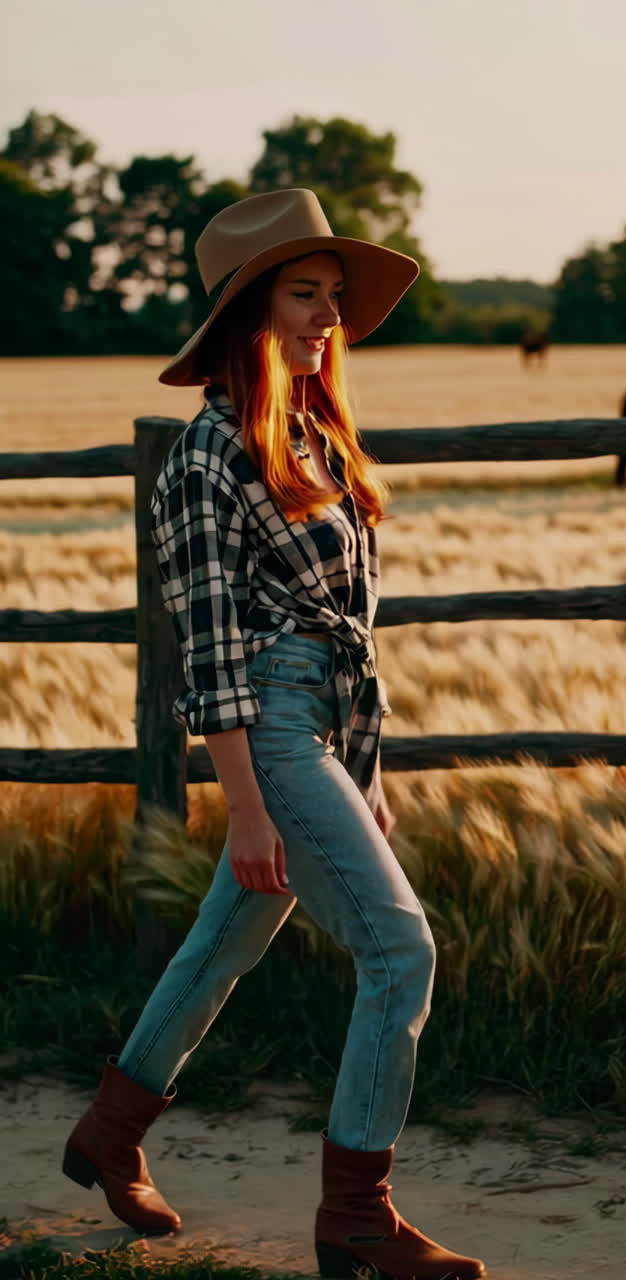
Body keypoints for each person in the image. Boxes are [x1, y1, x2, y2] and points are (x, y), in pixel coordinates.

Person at [62, 188, 487, 1280]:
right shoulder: (208, 457)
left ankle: (108, 1133)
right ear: (251, 307)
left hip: (324, 730)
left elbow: (351, 632)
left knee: (224, 941)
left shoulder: (312, 434)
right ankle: (357, 1217)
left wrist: (368, 769)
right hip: (270, 728)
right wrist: (251, 801)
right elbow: (210, 652)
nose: (327, 319)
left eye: (335, 298)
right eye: (306, 294)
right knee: (400, 948)